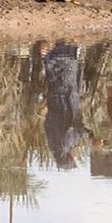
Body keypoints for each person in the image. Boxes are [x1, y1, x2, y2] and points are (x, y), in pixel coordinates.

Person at [42, 40, 93, 169]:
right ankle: (54, 49)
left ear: (69, 157)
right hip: (55, 98)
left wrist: (90, 136)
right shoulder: (52, 143)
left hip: (66, 97)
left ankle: (64, 44)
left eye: (73, 159)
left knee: (66, 68)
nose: (74, 156)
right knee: (55, 71)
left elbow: (76, 130)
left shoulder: (65, 145)